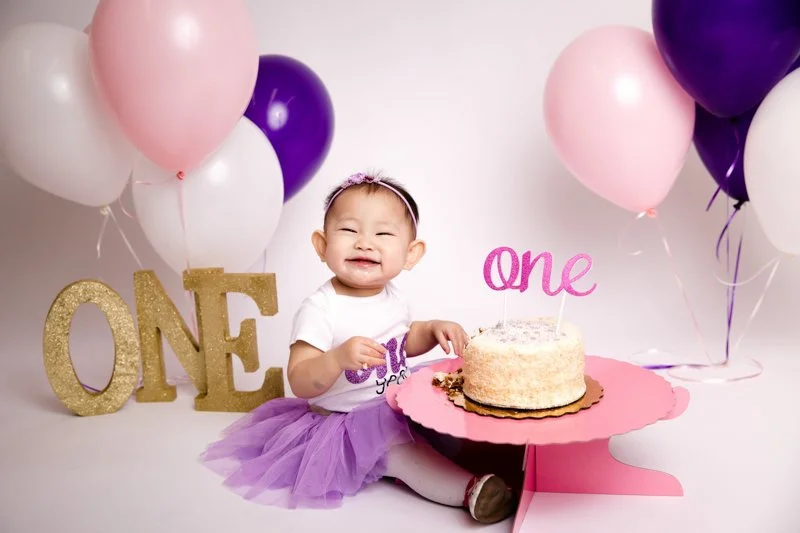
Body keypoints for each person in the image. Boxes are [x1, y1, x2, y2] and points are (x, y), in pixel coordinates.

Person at [200, 172, 516, 524]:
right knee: (400, 451)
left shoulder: (392, 296)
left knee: (443, 409)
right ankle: (469, 490)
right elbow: (300, 381)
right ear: (322, 245)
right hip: (346, 423)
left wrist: (430, 330)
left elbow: (401, 344)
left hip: (395, 403)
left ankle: (491, 457)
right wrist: (336, 358)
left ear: (411, 253)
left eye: (383, 233)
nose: (365, 243)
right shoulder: (321, 308)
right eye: (349, 231)